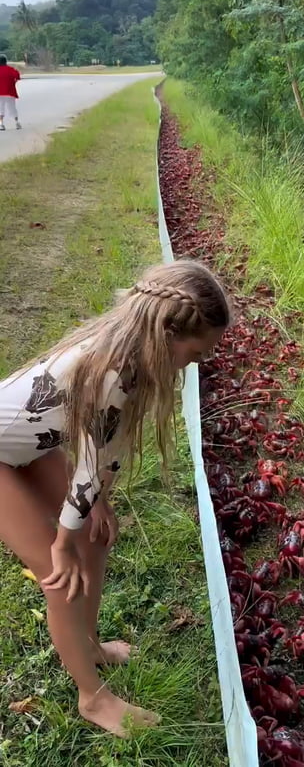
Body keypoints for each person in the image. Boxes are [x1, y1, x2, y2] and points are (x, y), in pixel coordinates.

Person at [0, 260, 230, 736]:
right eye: (197, 352)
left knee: (98, 538)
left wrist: (95, 503)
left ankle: (89, 645)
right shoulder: (113, 371)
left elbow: (98, 447)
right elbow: (89, 464)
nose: (197, 363)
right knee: (61, 574)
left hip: (27, 449)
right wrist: (63, 541)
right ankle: (92, 697)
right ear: (167, 333)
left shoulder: (132, 352)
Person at [0, 54, 21, 131]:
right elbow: (17, 76)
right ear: (6, 61)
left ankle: (1, 124)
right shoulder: (11, 69)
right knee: (12, 108)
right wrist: (13, 82)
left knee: (1, 108)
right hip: (10, 92)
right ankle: (17, 123)